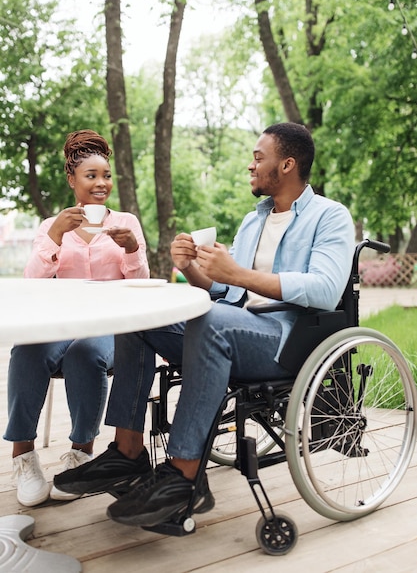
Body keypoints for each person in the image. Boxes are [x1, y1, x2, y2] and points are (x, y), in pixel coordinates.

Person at [54, 122, 355, 527]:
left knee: (209, 321)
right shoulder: (254, 221)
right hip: (234, 326)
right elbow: (225, 293)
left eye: (258, 157)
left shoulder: (330, 216)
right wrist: (190, 268)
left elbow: (324, 289)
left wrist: (237, 275)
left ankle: (184, 476)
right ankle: (127, 452)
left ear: (287, 164)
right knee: (140, 310)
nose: (250, 165)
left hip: (286, 340)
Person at [4, 129, 149, 507]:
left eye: (106, 175)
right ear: (72, 179)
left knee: (86, 354)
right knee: (28, 349)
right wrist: (53, 236)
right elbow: (31, 284)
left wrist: (132, 250)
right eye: (91, 176)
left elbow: (140, 286)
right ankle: (23, 457)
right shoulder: (52, 226)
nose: (101, 184)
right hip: (60, 324)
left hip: (110, 330)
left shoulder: (126, 223)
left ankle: (81, 453)